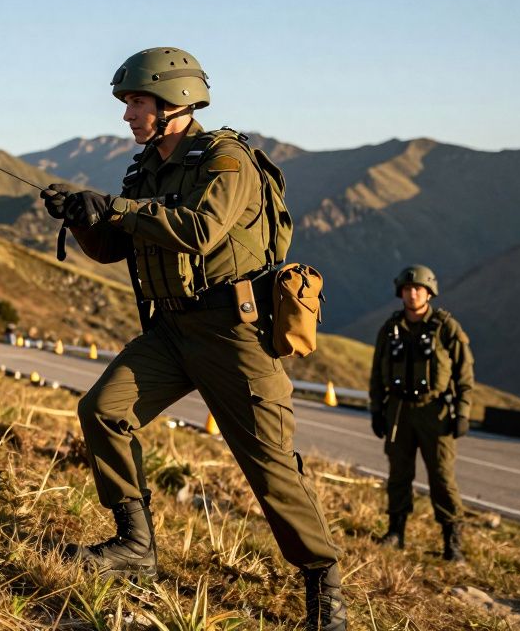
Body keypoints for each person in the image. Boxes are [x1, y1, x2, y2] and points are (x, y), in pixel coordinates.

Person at [41, 48, 346, 630]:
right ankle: (135, 547)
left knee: (271, 468)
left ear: (174, 101)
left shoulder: (225, 159)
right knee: (103, 411)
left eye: (136, 102)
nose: (127, 115)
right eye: (128, 103)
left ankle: (325, 590)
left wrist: (120, 209)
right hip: (172, 330)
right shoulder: (144, 169)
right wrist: (82, 215)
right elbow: (114, 247)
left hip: (236, 334)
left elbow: (200, 230)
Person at [368, 265, 474, 561]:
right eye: (407, 288)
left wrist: (462, 412)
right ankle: (395, 532)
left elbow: (464, 374)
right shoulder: (390, 329)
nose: (413, 293)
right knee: (398, 475)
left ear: (429, 292)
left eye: (419, 289)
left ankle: (452, 542)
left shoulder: (445, 327)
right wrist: (377, 410)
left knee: (441, 477)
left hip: (435, 412)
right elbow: (377, 372)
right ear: (400, 292)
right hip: (398, 411)